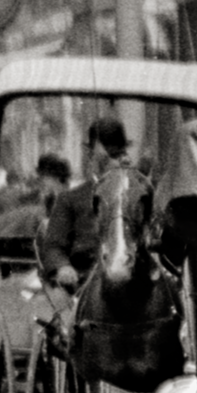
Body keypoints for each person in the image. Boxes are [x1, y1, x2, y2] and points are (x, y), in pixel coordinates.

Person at [39, 118, 132, 290]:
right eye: (105, 159)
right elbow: (53, 247)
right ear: (90, 155)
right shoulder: (69, 199)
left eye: (117, 156)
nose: (113, 164)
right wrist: (63, 267)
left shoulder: (136, 196)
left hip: (132, 279)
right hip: (83, 281)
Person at [0, 154, 71, 239]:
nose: (40, 181)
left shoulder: (63, 203)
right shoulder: (31, 204)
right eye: (41, 177)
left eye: (44, 177)